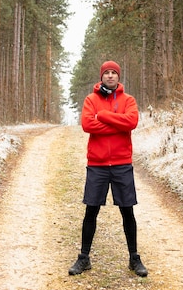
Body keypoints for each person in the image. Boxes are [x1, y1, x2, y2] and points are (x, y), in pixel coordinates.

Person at [68, 60, 148, 277]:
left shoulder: (128, 100)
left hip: (122, 163)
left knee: (127, 211)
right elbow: (87, 125)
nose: (110, 76)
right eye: (107, 73)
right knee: (91, 210)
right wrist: (117, 124)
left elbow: (131, 122)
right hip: (97, 164)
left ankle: (134, 258)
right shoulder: (90, 100)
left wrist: (102, 117)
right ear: (101, 76)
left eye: (114, 73)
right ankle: (83, 258)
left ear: (118, 77)